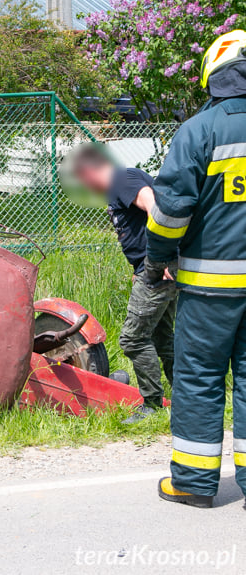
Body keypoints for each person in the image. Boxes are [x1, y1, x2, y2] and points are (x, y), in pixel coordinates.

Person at [146, 29, 246, 509]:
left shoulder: (199, 131)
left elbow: (171, 211)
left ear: (214, 75)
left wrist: (157, 259)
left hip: (210, 291)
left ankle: (193, 482)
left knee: (199, 378)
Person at [63, 144, 177, 424]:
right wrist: (141, 267)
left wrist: (158, 259)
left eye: (83, 179)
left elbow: (154, 205)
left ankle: (151, 404)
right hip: (155, 268)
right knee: (162, 338)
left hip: (159, 269)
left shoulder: (121, 180)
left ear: (89, 171)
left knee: (132, 339)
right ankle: (187, 399)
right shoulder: (120, 184)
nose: (86, 186)